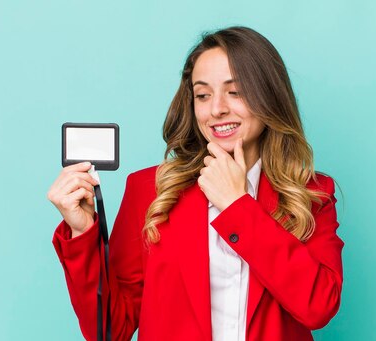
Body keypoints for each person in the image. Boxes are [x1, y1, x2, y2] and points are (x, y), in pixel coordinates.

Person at [48, 26, 344, 341]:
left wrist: (237, 207)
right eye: (203, 95)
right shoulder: (150, 190)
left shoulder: (311, 193)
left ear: (269, 95)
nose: (216, 109)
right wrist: (83, 233)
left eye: (236, 91)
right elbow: (111, 330)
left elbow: (318, 308)